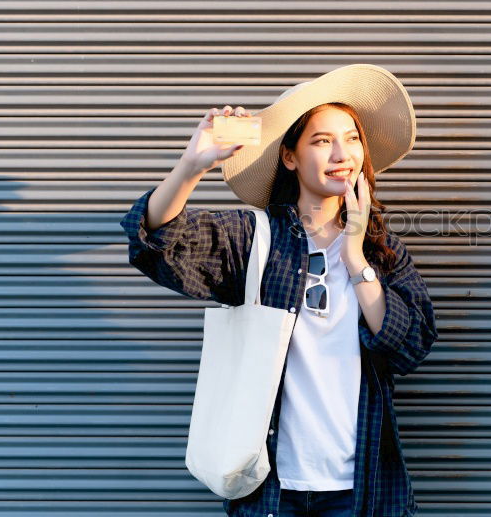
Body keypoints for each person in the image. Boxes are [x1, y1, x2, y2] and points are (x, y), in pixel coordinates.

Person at [119, 64, 438, 517]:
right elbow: (156, 242)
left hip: (363, 490)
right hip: (271, 491)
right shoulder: (255, 240)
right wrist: (192, 166)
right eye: (322, 140)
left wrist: (355, 257)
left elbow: (411, 347)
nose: (340, 153)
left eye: (351, 138)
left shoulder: (383, 254)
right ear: (290, 156)